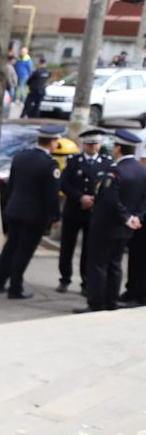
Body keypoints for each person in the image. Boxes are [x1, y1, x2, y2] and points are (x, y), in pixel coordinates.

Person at [75, 130, 146, 312]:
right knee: (115, 265)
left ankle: (96, 303)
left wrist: (126, 217)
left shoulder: (115, 171)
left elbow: (110, 199)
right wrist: (135, 217)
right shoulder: (142, 170)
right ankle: (111, 302)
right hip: (126, 228)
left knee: (98, 264)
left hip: (106, 226)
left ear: (118, 148)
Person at [0, 125, 64, 299]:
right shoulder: (50, 165)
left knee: (10, 248)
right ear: (53, 142)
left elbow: (12, 184)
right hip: (34, 216)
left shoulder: (21, 156)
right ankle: (15, 288)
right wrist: (55, 216)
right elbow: (51, 195)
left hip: (14, 210)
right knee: (24, 251)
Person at [57, 129, 112, 295]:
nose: (93, 147)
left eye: (95, 144)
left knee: (89, 249)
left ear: (100, 145)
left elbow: (109, 187)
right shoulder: (74, 161)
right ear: (83, 145)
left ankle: (86, 281)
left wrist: (95, 200)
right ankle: (65, 279)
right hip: (74, 210)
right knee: (67, 246)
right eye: (89, 144)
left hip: (94, 213)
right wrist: (80, 197)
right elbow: (64, 184)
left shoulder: (106, 163)